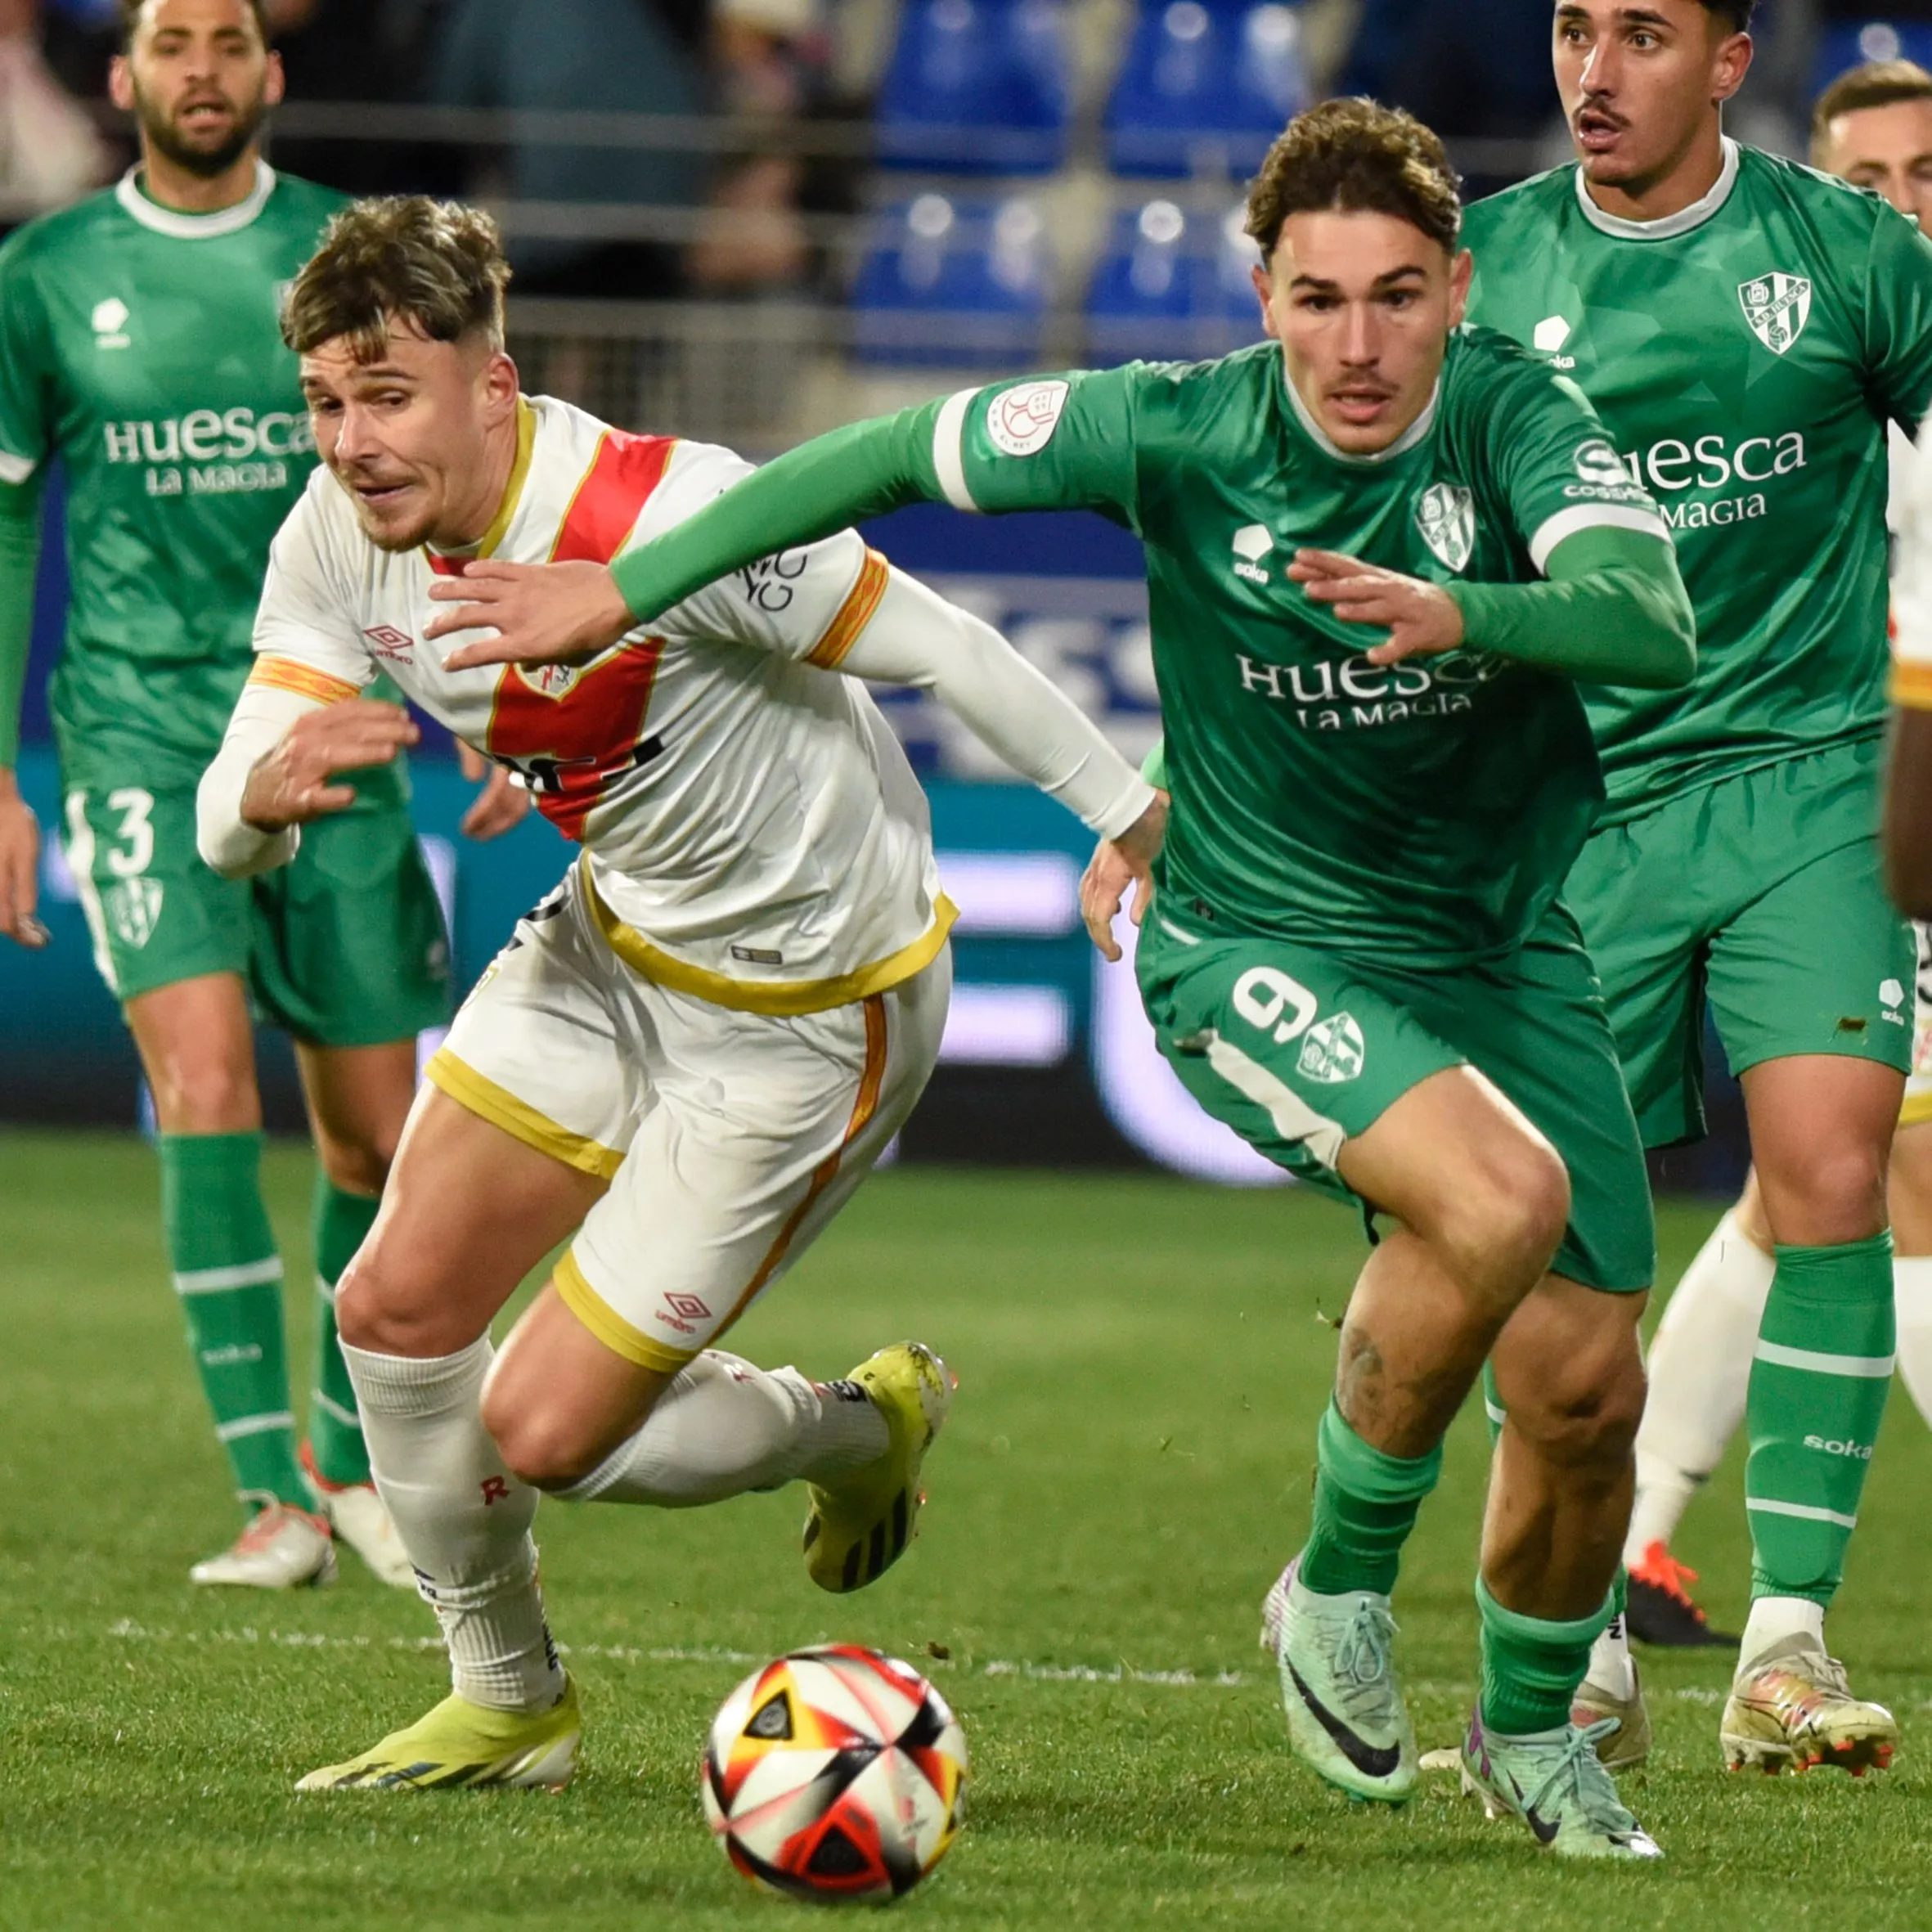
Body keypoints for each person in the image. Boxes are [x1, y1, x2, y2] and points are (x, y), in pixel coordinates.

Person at [420, 101, 1696, 1858]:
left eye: (1396, 297)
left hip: (1501, 945)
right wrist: (620, 591)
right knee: (1495, 1202)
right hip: (1256, 931)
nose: (1355, 343)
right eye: (1317, 298)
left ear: (1456, 291)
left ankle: (1535, 1732)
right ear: (1261, 294)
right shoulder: (1170, 426)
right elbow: (879, 456)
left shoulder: (1516, 420)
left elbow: (1647, 619)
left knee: (1584, 1386)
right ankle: (1332, 1586)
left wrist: (1463, 610)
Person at [194, 193, 1161, 1790]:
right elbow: (235, 795)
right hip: (610, 946)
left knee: (547, 1433)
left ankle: (859, 1427)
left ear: (492, 386)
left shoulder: (669, 511)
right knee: (390, 1313)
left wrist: (1125, 812)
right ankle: (511, 1702)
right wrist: (256, 800)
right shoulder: (334, 536)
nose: (352, 443)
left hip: (808, 1015)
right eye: (324, 402)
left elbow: (946, 650)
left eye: (389, 396)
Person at [1460, 0, 1932, 1774]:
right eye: (1571, 31)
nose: (1593, 73)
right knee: (1549, 1239)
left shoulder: (1850, 258)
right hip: (1579, 804)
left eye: (1641, 36)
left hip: (1814, 778)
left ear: (1728, 64)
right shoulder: (1479, 266)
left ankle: (1784, 1645)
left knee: (1833, 1172)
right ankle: (1576, 1642)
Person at [0, 0, 514, 1589]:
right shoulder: (44, 276)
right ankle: (269, 1498)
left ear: (271, 71)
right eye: (173, 43)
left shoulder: (351, 260)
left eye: (228, 40)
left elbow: (459, 468)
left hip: (330, 717)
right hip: (138, 734)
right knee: (206, 1084)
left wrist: (495, 685)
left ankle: (348, 1462)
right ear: (123, 75)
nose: (202, 69)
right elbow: (8, 524)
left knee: (374, 1137)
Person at [1610, 56, 1932, 1663]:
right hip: (1857, 813)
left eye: (1926, 178)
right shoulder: (1797, 361)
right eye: (1865, 183)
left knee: (1798, 1192)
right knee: (1895, 1176)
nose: (1900, 209)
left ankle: (1633, 1531)